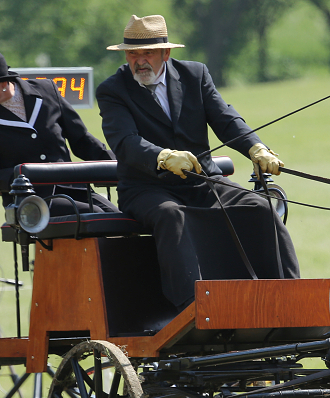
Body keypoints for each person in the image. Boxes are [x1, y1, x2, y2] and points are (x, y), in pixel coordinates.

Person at [96, 15, 300, 310]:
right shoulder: (113, 90)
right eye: (132, 54)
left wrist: (256, 148)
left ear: (166, 53)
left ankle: (289, 297)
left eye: (148, 53)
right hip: (147, 189)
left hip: (203, 182)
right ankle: (192, 308)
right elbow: (125, 141)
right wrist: (163, 157)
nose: (139, 61)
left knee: (261, 207)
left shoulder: (195, 75)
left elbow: (226, 119)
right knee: (171, 216)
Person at [0, 48, 117, 215]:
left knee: (118, 218)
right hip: (29, 200)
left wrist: (120, 165)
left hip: (74, 189)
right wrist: (20, 178)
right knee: (95, 215)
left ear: (2, 84)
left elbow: (81, 141)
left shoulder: (47, 90)